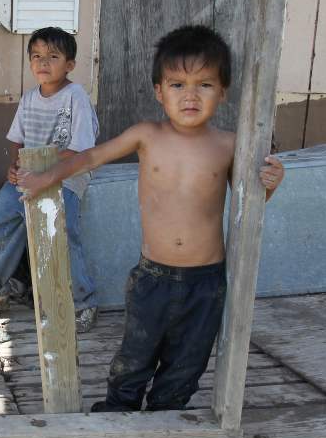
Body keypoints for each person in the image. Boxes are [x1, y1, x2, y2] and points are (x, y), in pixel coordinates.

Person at [18, 24, 285, 412]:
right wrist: (46, 178)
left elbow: (251, 201)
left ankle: (166, 415)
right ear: (159, 91)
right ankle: (119, 410)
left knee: (188, 361)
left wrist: (271, 183)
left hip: (206, 281)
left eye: (204, 85)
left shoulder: (230, 145)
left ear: (223, 91)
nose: (190, 95)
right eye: (177, 84)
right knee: (135, 355)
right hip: (153, 277)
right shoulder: (147, 135)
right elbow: (90, 156)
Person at [0, 27, 101, 334]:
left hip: (66, 176)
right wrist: (14, 166)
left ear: (70, 64)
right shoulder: (29, 98)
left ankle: (82, 303)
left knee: (60, 232)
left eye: (53, 56)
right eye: (36, 56)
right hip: (28, 176)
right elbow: (17, 141)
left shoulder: (75, 97)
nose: (43, 62)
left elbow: (81, 150)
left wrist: (43, 172)